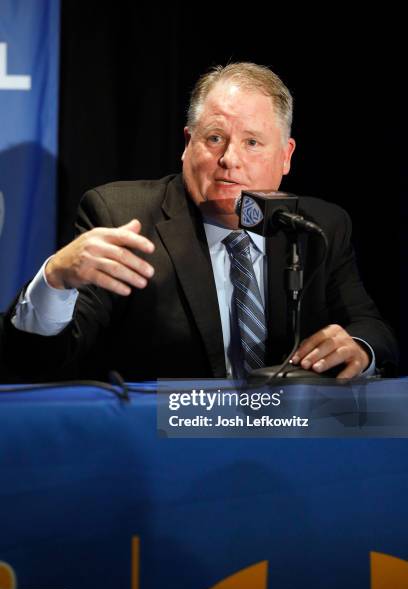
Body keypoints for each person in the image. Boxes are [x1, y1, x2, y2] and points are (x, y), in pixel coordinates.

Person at [3, 62, 397, 382]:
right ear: (187, 143)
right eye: (214, 139)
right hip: (163, 448)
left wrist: (359, 347)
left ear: (286, 156)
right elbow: (38, 362)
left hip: (289, 446)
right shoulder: (123, 216)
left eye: (253, 142)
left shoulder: (320, 226)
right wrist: (55, 279)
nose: (230, 159)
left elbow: (371, 328)